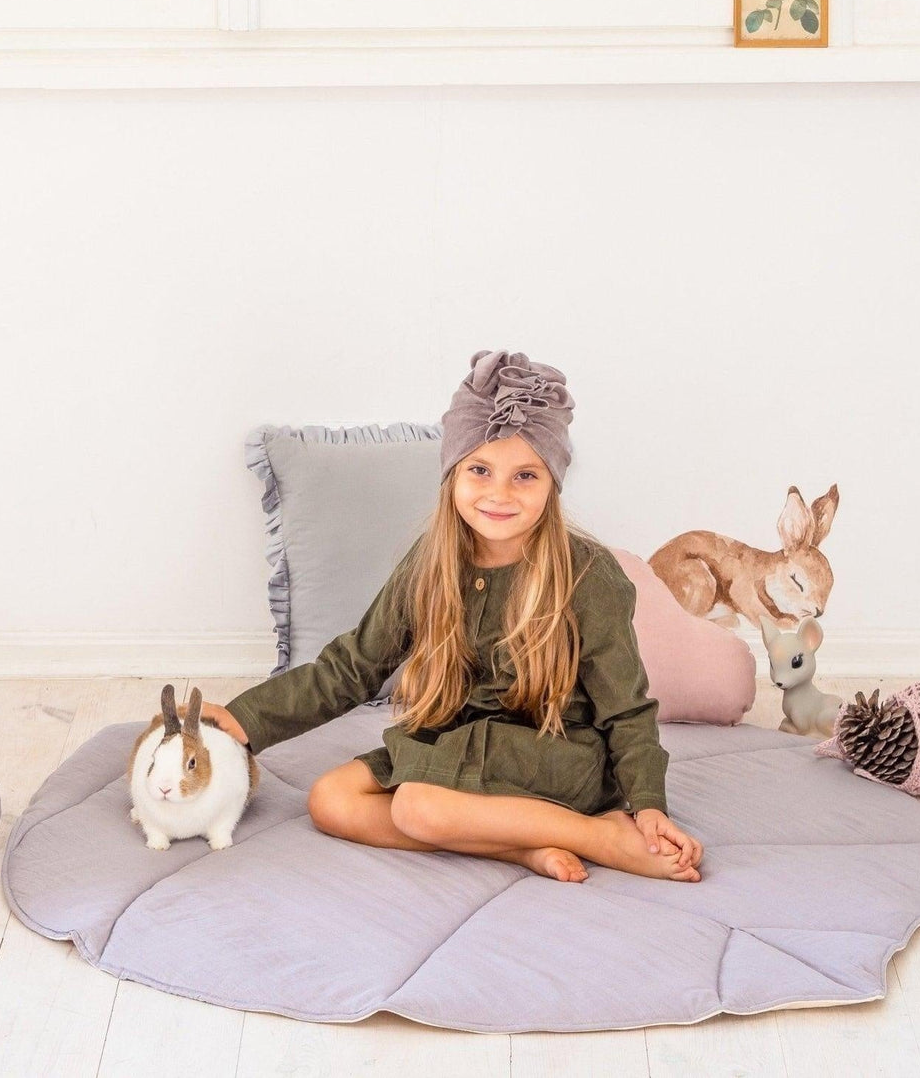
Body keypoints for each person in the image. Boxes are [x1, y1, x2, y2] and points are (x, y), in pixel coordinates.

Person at [202, 349, 704, 884]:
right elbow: (353, 666)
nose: (499, 494)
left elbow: (626, 709)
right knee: (331, 799)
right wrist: (247, 718)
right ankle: (520, 847)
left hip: (555, 755)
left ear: (553, 483)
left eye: (525, 475)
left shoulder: (588, 575)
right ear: (452, 474)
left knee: (417, 806)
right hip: (458, 743)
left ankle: (597, 835)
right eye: (480, 470)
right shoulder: (432, 563)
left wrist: (648, 802)